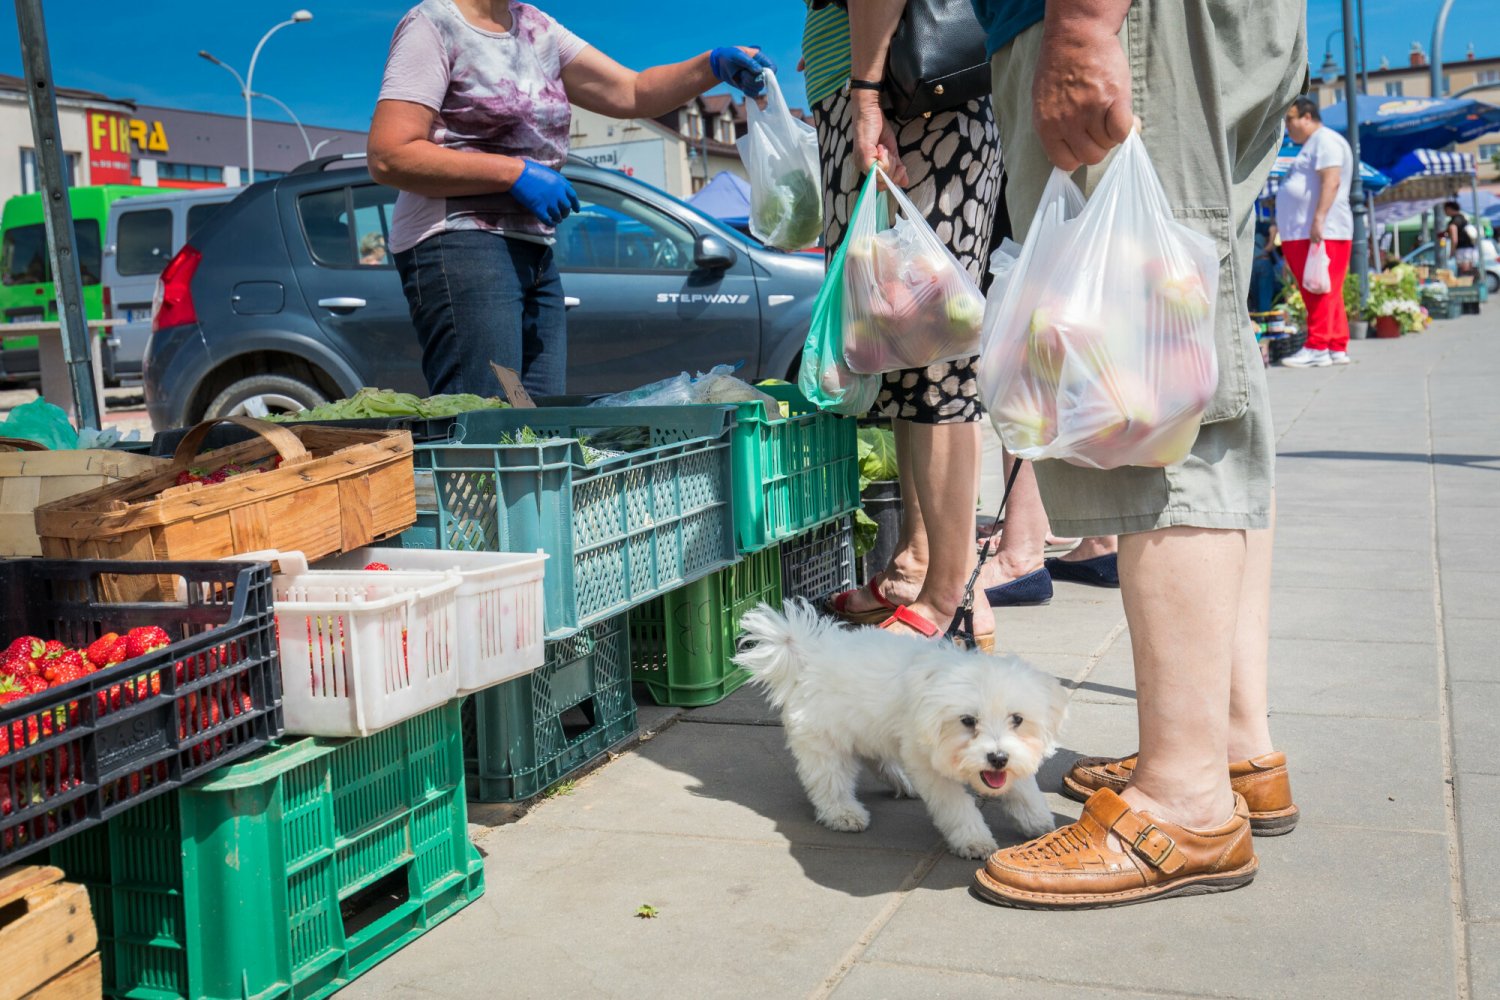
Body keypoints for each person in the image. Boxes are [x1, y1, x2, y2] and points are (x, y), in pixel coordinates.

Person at [969, 0, 1304, 909]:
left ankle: (1188, 805)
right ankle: (1232, 748)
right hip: (1163, 25)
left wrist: (1081, 23)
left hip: (1129, 21)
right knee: (1198, 357)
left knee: (1140, 389)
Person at [368, 1, 772, 397]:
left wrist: (712, 66)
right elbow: (389, 155)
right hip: (459, 242)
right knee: (485, 422)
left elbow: (631, 92)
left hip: (535, 248)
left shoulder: (536, 27)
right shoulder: (433, 23)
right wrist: (513, 173)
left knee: (543, 425)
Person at [1275, 97, 1354, 368]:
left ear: (1307, 117)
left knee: (1317, 287)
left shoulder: (1325, 141)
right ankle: (1335, 344)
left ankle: (1317, 346)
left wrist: (1319, 219)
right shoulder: (1315, 144)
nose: (1287, 126)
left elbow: (1331, 180)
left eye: (1290, 119)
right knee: (1327, 288)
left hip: (1320, 230)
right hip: (1311, 229)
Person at [1442, 200, 1478, 275]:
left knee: (1465, 272)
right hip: (1471, 249)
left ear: (1449, 209)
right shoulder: (1464, 218)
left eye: (1445, 209)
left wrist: (1452, 251)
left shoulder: (1454, 222)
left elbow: (1454, 238)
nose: (1444, 212)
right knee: (1471, 272)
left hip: (1462, 250)